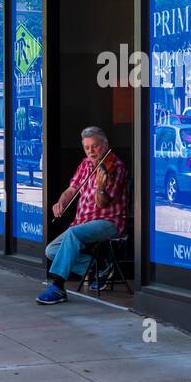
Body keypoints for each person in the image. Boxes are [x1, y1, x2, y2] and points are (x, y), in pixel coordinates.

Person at [36, 126, 128, 305]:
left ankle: (58, 285)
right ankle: (98, 267)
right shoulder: (86, 164)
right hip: (83, 222)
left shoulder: (115, 167)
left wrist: (100, 188)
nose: (91, 151)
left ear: (105, 144)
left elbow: (103, 203)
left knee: (74, 233)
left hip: (109, 222)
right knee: (51, 250)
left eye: (95, 146)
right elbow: (72, 189)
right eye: (87, 148)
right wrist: (61, 201)